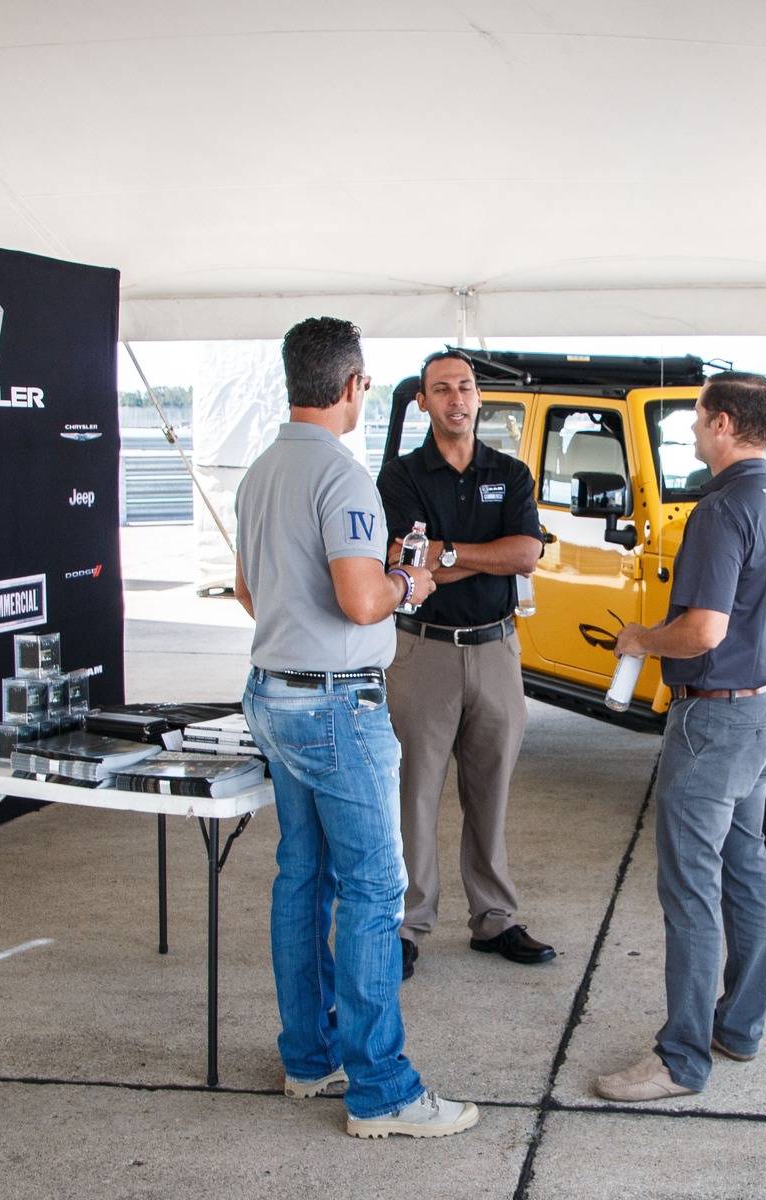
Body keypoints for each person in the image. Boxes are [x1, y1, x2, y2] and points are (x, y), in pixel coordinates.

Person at [234, 316, 477, 1139]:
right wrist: (409, 581)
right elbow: (362, 599)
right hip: (337, 705)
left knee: (303, 878)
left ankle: (310, 1057)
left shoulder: (261, 471)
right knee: (374, 890)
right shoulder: (342, 477)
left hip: (274, 693)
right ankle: (383, 1092)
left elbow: (248, 591)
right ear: (352, 385)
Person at [594, 371, 766, 1103]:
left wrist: (640, 639)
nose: (690, 429)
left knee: (690, 887)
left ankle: (681, 1059)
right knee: (744, 869)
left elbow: (703, 630)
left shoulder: (720, 511)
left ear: (722, 423)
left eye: (696, 417)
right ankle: (738, 1026)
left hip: (715, 718)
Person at [377, 351, 551, 978]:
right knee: (415, 795)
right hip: (421, 651)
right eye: (442, 389)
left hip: (496, 651)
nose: (457, 398)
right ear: (422, 401)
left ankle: (494, 919)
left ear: (479, 398)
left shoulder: (510, 472)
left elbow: (526, 553)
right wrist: (480, 554)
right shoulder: (399, 477)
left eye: (466, 387)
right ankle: (407, 925)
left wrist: (446, 553)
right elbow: (401, 558)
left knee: (491, 792)